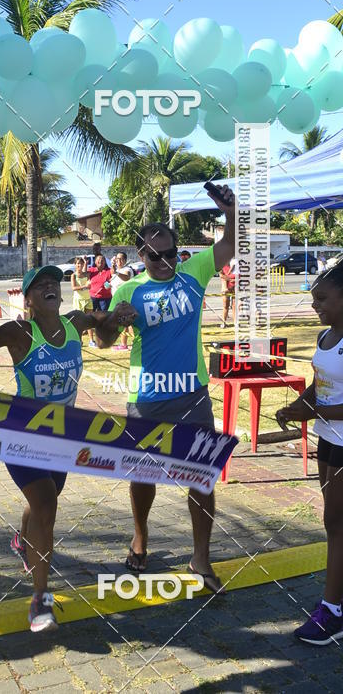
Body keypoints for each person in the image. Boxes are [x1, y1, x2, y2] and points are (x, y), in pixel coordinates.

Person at [0, 265, 136, 632]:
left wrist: (118, 318)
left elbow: (103, 330)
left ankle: (21, 539)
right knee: (47, 504)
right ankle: (41, 601)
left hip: (63, 438)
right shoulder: (21, 332)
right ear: (29, 301)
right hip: (23, 437)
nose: (50, 287)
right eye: (40, 286)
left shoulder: (74, 322)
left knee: (46, 496)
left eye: (53, 283)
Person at [97, 183, 236, 593]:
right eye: (152, 255)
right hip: (146, 397)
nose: (162, 261)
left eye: (169, 254)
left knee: (201, 477)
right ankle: (140, 537)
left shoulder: (196, 272)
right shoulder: (127, 290)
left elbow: (230, 244)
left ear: (180, 253)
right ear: (140, 256)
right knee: (142, 476)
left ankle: (201, 558)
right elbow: (102, 343)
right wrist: (111, 322)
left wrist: (230, 212)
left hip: (192, 395)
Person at [276, 262, 343, 645]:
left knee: (336, 523)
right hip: (328, 438)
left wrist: (313, 411)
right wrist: (298, 406)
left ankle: (332, 610)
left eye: (322, 299)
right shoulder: (324, 337)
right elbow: (320, 387)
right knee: (334, 522)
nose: (315, 306)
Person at [110, 253, 134, 350]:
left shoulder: (127, 269)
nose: (118, 261)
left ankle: (136, 341)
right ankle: (123, 344)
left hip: (126, 301)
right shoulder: (117, 271)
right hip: (118, 301)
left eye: (120, 259)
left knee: (129, 323)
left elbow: (127, 277)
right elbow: (113, 283)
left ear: (124, 260)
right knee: (122, 323)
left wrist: (116, 272)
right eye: (116, 259)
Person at [71, 256, 95, 346]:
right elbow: (73, 288)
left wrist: (86, 262)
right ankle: (79, 340)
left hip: (87, 299)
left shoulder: (86, 274)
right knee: (79, 321)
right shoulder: (73, 275)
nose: (79, 265)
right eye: (77, 263)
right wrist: (85, 286)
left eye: (81, 263)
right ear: (75, 265)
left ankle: (92, 341)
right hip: (78, 300)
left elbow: (85, 271)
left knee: (89, 320)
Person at [88, 254, 113, 319]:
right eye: (98, 260)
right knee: (91, 316)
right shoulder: (91, 270)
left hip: (105, 298)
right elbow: (84, 274)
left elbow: (113, 278)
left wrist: (109, 285)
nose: (100, 261)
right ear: (95, 262)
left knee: (103, 316)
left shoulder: (109, 271)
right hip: (93, 297)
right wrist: (85, 264)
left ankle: (102, 328)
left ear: (105, 262)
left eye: (102, 260)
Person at [219, 259, 237, 328]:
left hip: (235, 286)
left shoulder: (236, 264)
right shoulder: (222, 265)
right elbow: (221, 275)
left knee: (235, 305)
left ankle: (235, 323)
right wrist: (229, 279)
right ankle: (224, 322)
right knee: (225, 305)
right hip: (225, 287)